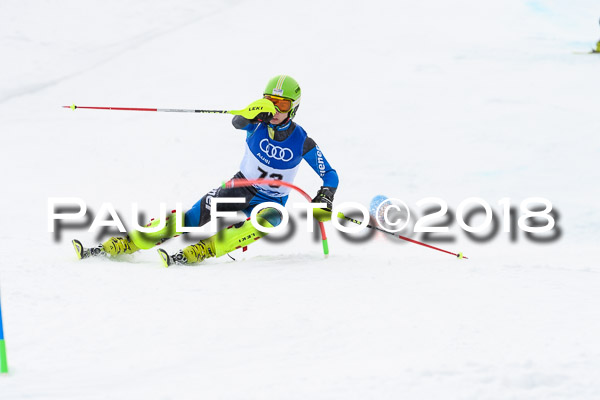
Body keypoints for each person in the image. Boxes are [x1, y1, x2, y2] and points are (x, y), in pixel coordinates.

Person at [72, 75, 339, 266]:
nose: (275, 110)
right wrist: (254, 112)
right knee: (192, 217)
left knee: (269, 221)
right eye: (270, 102)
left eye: (281, 105)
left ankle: (204, 249)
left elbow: (330, 174)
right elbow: (238, 121)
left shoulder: (302, 140)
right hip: (241, 187)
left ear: (293, 107)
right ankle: (129, 242)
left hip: (272, 201)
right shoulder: (255, 123)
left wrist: (325, 195)